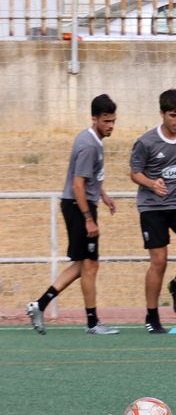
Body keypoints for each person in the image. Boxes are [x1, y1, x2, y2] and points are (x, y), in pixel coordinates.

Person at [29, 94, 120, 335]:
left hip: (80, 204)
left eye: (113, 120)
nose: (110, 125)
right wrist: (88, 218)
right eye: (106, 121)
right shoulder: (89, 145)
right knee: (90, 266)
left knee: (84, 265)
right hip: (79, 207)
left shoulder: (93, 140)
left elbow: (88, 178)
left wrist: (103, 195)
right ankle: (92, 323)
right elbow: (78, 185)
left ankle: (40, 304)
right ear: (94, 119)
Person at [128, 88, 176, 334]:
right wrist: (151, 183)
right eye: (173, 115)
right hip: (153, 207)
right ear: (162, 114)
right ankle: (152, 317)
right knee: (159, 261)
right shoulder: (146, 142)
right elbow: (134, 173)